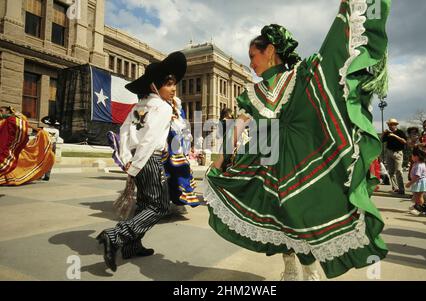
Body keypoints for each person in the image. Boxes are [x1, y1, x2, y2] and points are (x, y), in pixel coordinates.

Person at [204, 0, 391, 280]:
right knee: (281, 216)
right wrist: (222, 157)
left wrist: (347, 12)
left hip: (298, 155)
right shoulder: (271, 86)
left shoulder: (300, 76)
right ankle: (293, 267)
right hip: (265, 157)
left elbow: (331, 63)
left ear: (270, 51)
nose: (251, 63)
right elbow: (239, 125)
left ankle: (307, 269)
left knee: (299, 212)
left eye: (253, 55)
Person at [96, 52, 187, 272]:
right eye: (168, 84)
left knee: (145, 204)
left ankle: (132, 246)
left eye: (174, 84)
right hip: (150, 159)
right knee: (159, 206)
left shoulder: (141, 106)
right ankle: (116, 235)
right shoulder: (163, 108)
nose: (173, 89)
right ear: (155, 86)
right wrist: (136, 165)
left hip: (138, 159)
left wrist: (128, 160)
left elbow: (124, 132)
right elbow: (150, 140)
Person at [164, 96, 202, 216]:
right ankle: (161, 203)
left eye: (174, 86)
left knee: (180, 173)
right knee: (164, 175)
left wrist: (187, 145)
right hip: (163, 146)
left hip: (177, 147)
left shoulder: (179, 107)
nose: (172, 89)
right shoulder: (157, 105)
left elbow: (184, 127)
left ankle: (178, 202)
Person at [0, 107, 55, 186]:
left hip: (12, 146)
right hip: (5, 145)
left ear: (8, 111)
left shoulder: (14, 120)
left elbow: (25, 124)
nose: (0, 112)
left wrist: (38, 130)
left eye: (2, 111)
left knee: (14, 161)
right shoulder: (4, 121)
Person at [381, 118, 407, 194]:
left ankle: (401, 189)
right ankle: (395, 188)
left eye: (392, 124)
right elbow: (382, 140)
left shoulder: (400, 132)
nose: (391, 126)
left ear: (396, 125)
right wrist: (383, 133)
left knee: (399, 170)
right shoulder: (387, 133)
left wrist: (394, 136)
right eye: (389, 124)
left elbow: (404, 141)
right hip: (389, 152)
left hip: (398, 153)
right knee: (391, 172)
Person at [406, 148, 426, 216]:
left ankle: (420, 209)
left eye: (412, 155)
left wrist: (409, 183)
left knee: (419, 196)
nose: (411, 157)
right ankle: (416, 206)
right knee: (416, 196)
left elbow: (417, 176)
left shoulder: (419, 166)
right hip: (418, 182)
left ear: (416, 156)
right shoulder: (417, 163)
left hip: (420, 183)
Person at [41, 116, 61, 181]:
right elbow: (57, 139)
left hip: (46, 145)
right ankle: (47, 175)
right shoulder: (57, 131)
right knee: (50, 160)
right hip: (53, 145)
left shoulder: (44, 129)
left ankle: (40, 174)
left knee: (43, 160)